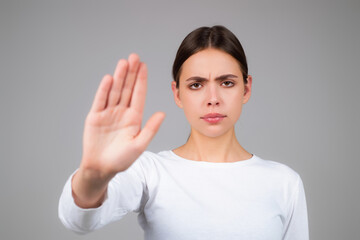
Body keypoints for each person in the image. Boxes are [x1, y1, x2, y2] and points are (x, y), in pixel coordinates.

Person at [58, 25, 309, 240]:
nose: (213, 99)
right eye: (196, 85)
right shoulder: (149, 172)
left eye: (227, 83)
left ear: (246, 89)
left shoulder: (284, 182)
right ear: (177, 93)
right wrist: (93, 175)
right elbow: (79, 220)